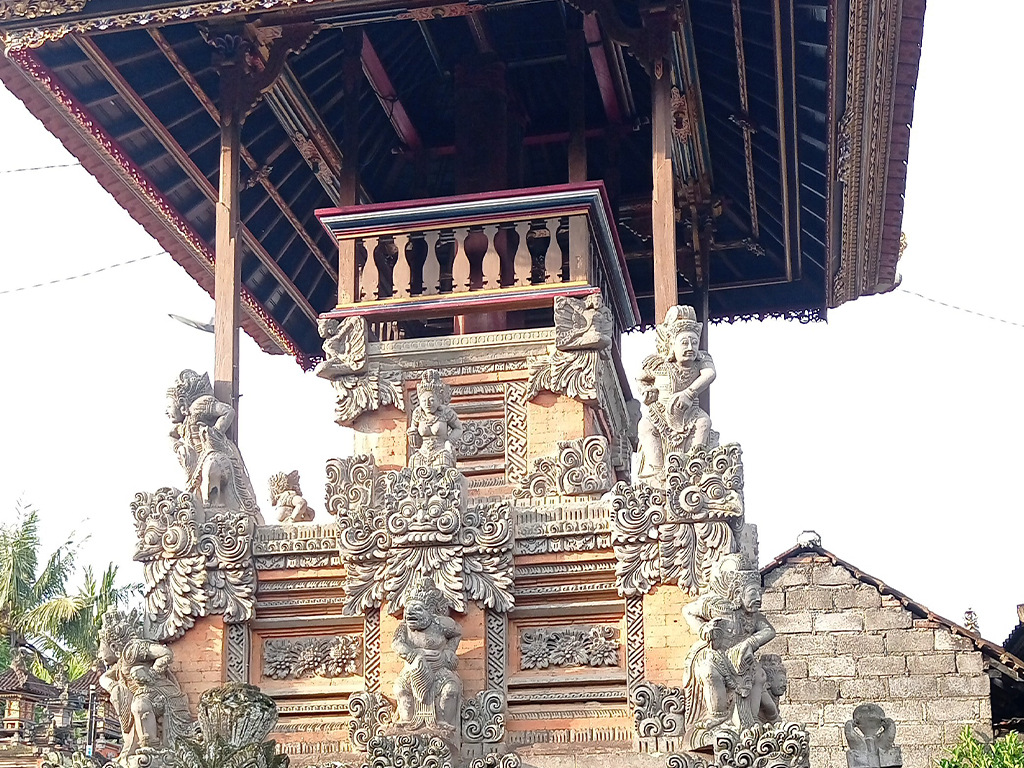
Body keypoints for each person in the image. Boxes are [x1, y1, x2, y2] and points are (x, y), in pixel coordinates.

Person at [636, 306, 716, 485]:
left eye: (694, 342)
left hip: (690, 414)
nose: (690, 348)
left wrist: (689, 393)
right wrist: (646, 390)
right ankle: (656, 473)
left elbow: (710, 374)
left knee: (704, 423)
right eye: (684, 343)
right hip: (661, 413)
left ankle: (694, 469)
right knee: (646, 426)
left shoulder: (701, 361)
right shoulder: (658, 364)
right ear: (672, 344)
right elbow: (640, 379)